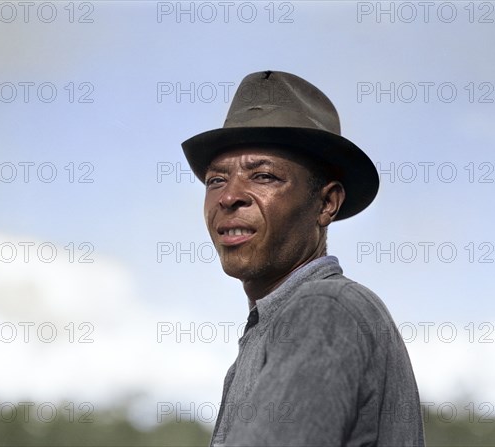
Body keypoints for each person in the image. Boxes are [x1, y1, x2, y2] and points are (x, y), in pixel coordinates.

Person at [182, 70, 425, 446]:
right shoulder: (271, 327)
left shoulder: (325, 310)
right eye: (216, 180)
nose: (229, 197)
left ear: (326, 203)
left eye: (263, 176)